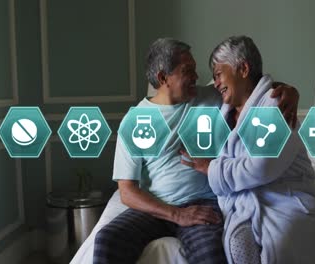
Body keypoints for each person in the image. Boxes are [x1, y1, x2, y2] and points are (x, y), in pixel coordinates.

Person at [93, 38, 300, 264]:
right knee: (106, 240)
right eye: (187, 71)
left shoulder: (210, 98)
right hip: (155, 207)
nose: (197, 76)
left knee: (210, 255)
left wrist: (287, 90)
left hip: (203, 204)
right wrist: (176, 214)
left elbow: (248, 85)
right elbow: (127, 192)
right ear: (163, 78)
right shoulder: (133, 122)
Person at [180, 36, 315, 264]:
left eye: (219, 74)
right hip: (244, 201)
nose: (215, 83)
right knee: (235, 242)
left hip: (283, 198)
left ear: (243, 69)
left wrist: (210, 168)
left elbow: (261, 166)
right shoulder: (224, 108)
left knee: (277, 245)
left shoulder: (277, 104)